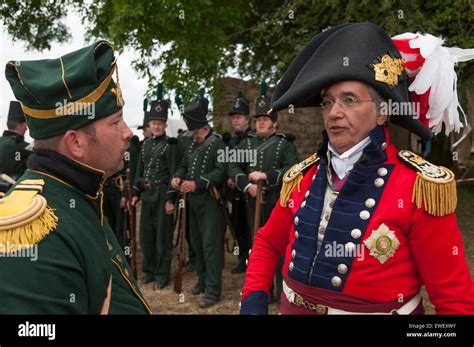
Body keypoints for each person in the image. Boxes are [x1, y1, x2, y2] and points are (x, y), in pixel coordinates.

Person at [240, 22, 474, 315]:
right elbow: (267, 242)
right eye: (327, 102)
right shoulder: (303, 177)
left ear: (382, 112)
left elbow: (454, 302)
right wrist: (253, 300)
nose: (334, 112)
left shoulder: (418, 186)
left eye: (349, 100)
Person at [0, 40, 151, 314]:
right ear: (76, 143)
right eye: (115, 122)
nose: (128, 132)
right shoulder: (32, 229)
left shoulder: (81, 192)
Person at [171, 95, 227, 308]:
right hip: (192, 203)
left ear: (203, 128)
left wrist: (197, 183)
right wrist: (177, 177)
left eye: (194, 132)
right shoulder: (193, 146)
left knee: (210, 246)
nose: (192, 135)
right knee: (196, 243)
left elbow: (221, 171)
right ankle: (202, 281)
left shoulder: (218, 144)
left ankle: (213, 290)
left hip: (210, 201)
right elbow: (183, 166)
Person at [132, 84, 177, 290]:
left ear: (165, 125)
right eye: (153, 123)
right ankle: (149, 272)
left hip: (161, 194)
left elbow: (175, 173)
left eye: (160, 123)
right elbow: (139, 170)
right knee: (146, 237)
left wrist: (170, 200)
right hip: (147, 194)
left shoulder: (170, 145)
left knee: (162, 239)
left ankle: (161, 274)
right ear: (149, 125)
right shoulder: (146, 145)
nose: (157, 127)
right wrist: (135, 193)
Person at [224, 90, 252, 274]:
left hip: (248, 191)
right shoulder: (230, 140)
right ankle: (242, 257)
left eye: (239, 117)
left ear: (248, 120)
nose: (236, 121)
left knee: (251, 226)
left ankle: (252, 258)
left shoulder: (253, 139)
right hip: (232, 193)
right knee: (237, 226)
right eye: (233, 117)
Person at [0, 101, 32, 182]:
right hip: (14, 189)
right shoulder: (20, 145)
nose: (26, 129)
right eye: (25, 125)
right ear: (20, 125)